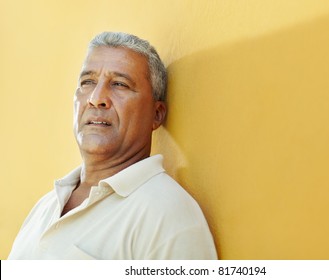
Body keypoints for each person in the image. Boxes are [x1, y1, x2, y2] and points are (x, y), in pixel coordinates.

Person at [8, 32, 217, 260]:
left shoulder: (168, 215)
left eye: (119, 84)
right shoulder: (45, 206)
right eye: (87, 82)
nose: (96, 98)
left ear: (156, 115)